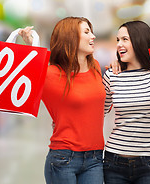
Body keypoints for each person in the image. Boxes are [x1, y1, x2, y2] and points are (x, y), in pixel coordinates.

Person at [18, 17, 106, 184]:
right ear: (70, 37)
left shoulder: (95, 67)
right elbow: (21, 80)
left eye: (91, 31)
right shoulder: (49, 74)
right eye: (87, 32)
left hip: (95, 157)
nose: (93, 36)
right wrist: (32, 47)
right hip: (64, 158)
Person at [102, 21, 150, 184]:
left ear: (139, 41)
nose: (119, 45)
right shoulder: (112, 75)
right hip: (114, 161)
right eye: (117, 40)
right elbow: (98, 111)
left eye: (125, 39)